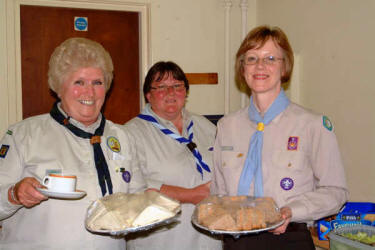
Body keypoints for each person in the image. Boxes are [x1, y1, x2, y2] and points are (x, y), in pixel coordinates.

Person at [210, 25, 348, 250]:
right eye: (252, 58)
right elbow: (219, 192)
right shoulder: (227, 126)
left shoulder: (312, 125)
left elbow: (336, 192)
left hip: (289, 240)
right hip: (236, 242)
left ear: (285, 67)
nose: (260, 66)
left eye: (271, 58)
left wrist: (292, 210)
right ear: (242, 68)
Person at [0, 37, 145, 249]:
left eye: (98, 82)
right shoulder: (23, 135)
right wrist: (14, 194)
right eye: (79, 82)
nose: (90, 92)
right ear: (59, 87)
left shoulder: (123, 137)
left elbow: (138, 200)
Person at [124, 61, 222, 250]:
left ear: (186, 92)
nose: (171, 93)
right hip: (160, 240)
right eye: (161, 87)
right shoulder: (129, 134)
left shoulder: (206, 126)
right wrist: (191, 195)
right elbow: (133, 187)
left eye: (177, 86)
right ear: (148, 95)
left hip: (208, 240)